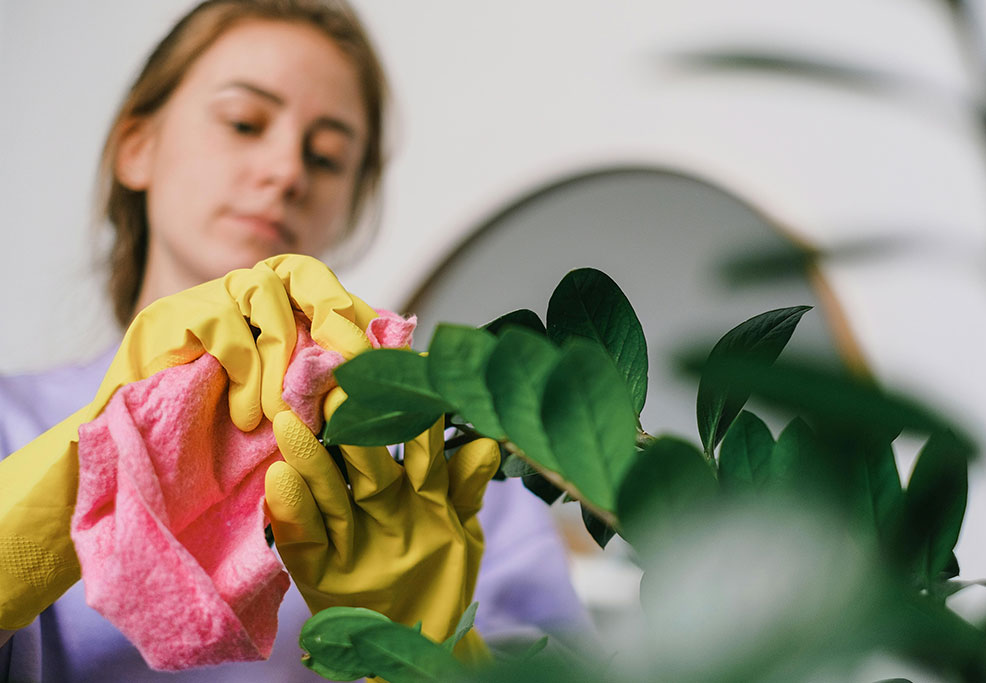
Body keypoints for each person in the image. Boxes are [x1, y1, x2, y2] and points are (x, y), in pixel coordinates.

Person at [0, 1, 592, 680]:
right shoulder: (9, 423)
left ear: (348, 206)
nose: (287, 172)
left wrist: (433, 647)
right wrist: (100, 451)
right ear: (137, 145)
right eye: (244, 123)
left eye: (328, 156)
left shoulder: (450, 468)